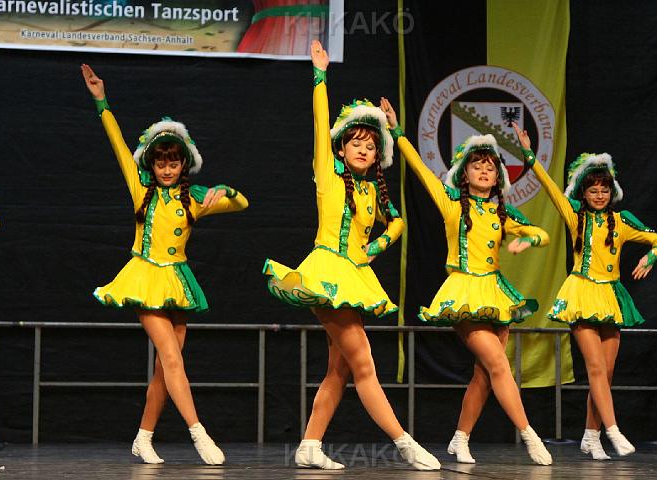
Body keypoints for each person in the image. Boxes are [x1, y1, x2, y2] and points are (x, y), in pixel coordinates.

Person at [262, 41, 439, 471]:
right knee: (364, 364)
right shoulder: (328, 173)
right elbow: (320, 123)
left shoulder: (372, 192)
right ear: (341, 148)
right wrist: (320, 77)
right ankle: (405, 443)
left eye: (370, 145)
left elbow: (397, 223)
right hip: (325, 273)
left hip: (354, 276)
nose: (362, 149)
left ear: (378, 156)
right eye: (355, 142)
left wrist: (373, 248)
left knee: (338, 370)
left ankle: (309, 445)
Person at [82, 64, 249, 465]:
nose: (168, 169)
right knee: (172, 359)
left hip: (176, 281)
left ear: (183, 164)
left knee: (164, 369)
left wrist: (224, 189)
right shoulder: (141, 189)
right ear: (152, 166)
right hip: (145, 278)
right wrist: (101, 101)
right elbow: (119, 144)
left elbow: (242, 203)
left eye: (174, 163)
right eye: (161, 163)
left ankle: (143, 438)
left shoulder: (194, 198)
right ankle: (198, 432)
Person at [381, 99, 553, 466]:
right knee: (499, 366)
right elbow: (421, 170)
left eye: (491, 167)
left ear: (498, 176)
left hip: (495, 293)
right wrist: (398, 133)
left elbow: (543, 233)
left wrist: (528, 240)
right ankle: (530, 435)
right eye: (478, 166)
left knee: (485, 374)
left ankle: (460, 439)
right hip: (464, 292)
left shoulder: (503, 213)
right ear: (464, 172)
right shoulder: (453, 205)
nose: (485, 171)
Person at [513, 122, 657, 459]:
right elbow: (551, 189)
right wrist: (529, 155)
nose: (599, 195)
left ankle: (590, 436)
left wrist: (651, 257)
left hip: (610, 296)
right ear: (582, 193)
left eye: (604, 190)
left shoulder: (622, 221)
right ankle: (613, 430)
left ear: (612, 192)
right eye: (593, 190)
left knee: (605, 374)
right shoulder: (575, 217)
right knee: (596, 369)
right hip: (582, 295)